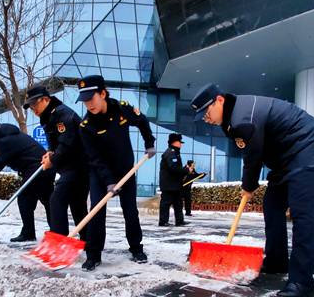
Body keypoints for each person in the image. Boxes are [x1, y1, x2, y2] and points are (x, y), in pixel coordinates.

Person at [191, 83, 314, 297]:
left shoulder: (243, 118)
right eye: (202, 116)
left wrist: (248, 186)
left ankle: (301, 280)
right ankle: (278, 262)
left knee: (301, 213)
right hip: (286, 158)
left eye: (207, 112)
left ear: (220, 100)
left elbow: (253, 156)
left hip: (309, 151)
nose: (206, 118)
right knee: (272, 205)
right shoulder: (235, 117)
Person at [76, 75, 156, 271]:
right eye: (84, 101)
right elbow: (95, 159)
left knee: (130, 211)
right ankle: (93, 255)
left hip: (125, 171)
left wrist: (149, 143)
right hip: (100, 175)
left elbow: (143, 122)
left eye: (91, 99)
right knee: (96, 211)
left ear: (103, 94)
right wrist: (109, 182)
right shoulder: (86, 127)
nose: (88, 105)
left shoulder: (123, 109)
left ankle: (136, 248)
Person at [0, 119, 56, 242]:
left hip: (36, 168)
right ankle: (56, 231)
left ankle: (28, 233)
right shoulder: (9, 136)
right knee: (48, 200)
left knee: (24, 199)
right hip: (46, 168)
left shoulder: (5, 141)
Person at [23, 86, 89, 240]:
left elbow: (68, 144)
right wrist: (50, 153)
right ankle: (88, 240)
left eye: (35, 105)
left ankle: (58, 241)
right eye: (30, 107)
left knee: (57, 199)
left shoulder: (62, 115)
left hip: (79, 166)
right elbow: (56, 144)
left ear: (46, 100)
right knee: (77, 205)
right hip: (73, 167)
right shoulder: (50, 117)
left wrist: (52, 160)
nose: (33, 110)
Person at [159, 133, 192, 226]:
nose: (181, 144)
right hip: (169, 184)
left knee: (178, 203)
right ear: (175, 142)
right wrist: (186, 170)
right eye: (179, 142)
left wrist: (184, 168)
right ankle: (163, 221)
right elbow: (173, 168)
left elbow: (176, 167)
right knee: (166, 203)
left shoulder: (174, 153)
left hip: (175, 184)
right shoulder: (171, 153)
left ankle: (179, 220)